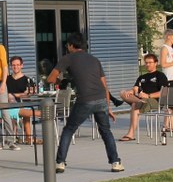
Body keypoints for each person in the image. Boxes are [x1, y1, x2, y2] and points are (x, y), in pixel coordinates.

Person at [50, 33, 124, 173]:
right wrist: (108, 107)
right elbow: (104, 86)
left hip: (85, 100)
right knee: (106, 131)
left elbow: (50, 78)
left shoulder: (67, 58)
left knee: (69, 129)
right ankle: (115, 163)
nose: (67, 47)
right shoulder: (94, 60)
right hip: (101, 98)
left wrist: (62, 82)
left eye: (67, 45)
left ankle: (60, 162)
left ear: (71, 45)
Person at [116, 54, 168, 141]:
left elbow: (164, 92)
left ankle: (131, 134)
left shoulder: (160, 75)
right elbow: (135, 89)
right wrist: (131, 92)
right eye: (146, 63)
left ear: (156, 63)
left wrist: (148, 95)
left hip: (154, 101)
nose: (147, 64)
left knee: (135, 105)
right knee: (122, 93)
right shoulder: (142, 77)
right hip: (141, 99)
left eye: (150, 62)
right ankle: (139, 102)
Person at [6, 56, 39, 144]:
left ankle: (28, 138)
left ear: (22, 65)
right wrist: (21, 94)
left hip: (23, 105)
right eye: (13, 65)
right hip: (10, 106)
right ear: (11, 66)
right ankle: (18, 136)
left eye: (18, 65)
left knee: (26, 110)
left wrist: (14, 95)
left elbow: (29, 94)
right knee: (14, 111)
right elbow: (5, 95)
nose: (15, 67)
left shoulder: (27, 80)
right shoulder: (7, 79)